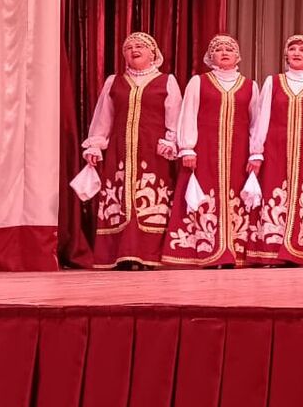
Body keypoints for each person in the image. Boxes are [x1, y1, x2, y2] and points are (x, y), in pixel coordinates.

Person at [77, 32, 180, 269]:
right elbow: (104, 116)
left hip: (153, 151)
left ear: (153, 53)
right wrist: (95, 144)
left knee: (150, 199)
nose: (134, 50)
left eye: (140, 46)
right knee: (120, 198)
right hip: (119, 151)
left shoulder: (167, 81)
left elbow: (174, 116)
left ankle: (149, 255)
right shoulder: (114, 82)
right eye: (129, 47)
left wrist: (171, 140)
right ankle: (120, 255)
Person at [162, 34, 258, 268]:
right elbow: (188, 113)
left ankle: (234, 251)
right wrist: (187, 148)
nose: (224, 52)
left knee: (236, 195)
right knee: (204, 194)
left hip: (239, 153)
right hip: (204, 150)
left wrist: (255, 152)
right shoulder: (199, 82)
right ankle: (204, 250)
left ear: (237, 56)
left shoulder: (250, 85)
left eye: (229, 49)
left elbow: (256, 122)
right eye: (218, 49)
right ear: (210, 56)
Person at [247, 34, 303, 266]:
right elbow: (262, 117)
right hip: (276, 149)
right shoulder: (273, 82)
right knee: (275, 192)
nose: (296, 53)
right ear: (286, 55)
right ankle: (273, 250)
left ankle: (302, 250)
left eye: (302, 50)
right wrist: (257, 151)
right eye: (292, 49)